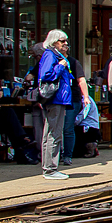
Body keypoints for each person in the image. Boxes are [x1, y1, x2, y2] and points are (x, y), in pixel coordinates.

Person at [37, 29, 86, 180]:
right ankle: (50, 169)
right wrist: (61, 65)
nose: (65, 43)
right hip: (55, 99)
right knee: (54, 134)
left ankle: (50, 168)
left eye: (66, 41)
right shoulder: (50, 55)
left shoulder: (55, 55)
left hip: (59, 99)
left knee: (53, 133)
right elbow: (46, 75)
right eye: (62, 41)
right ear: (54, 42)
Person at [61, 51, 92, 166]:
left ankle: (67, 155)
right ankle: (55, 155)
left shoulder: (73, 62)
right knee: (56, 129)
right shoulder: (52, 61)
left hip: (72, 99)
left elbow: (81, 80)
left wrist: (86, 97)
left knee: (67, 128)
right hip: (55, 99)